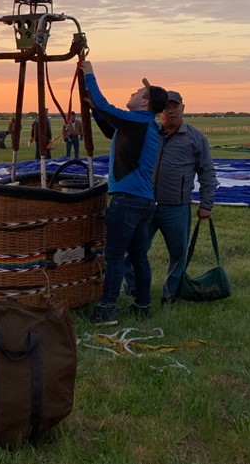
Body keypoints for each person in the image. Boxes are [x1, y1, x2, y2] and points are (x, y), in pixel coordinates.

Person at [79, 61, 167, 325]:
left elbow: (109, 109)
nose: (131, 94)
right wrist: (94, 110)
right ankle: (143, 305)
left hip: (126, 202)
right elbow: (110, 129)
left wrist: (89, 75)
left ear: (145, 103)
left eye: (136, 93)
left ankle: (106, 309)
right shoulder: (142, 126)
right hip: (143, 202)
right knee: (139, 256)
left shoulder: (139, 122)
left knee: (115, 256)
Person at [123, 90, 218, 303]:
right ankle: (134, 291)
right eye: (166, 107)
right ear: (159, 111)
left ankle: (170, 295)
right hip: (146, 204)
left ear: (183, 109)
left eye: (175, 107)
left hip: (176, 207)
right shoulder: (149, 134)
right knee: (132, 251)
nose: (171, 112)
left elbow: (207, 173)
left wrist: (206, 204)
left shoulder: (194, 138)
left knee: (177, 255)